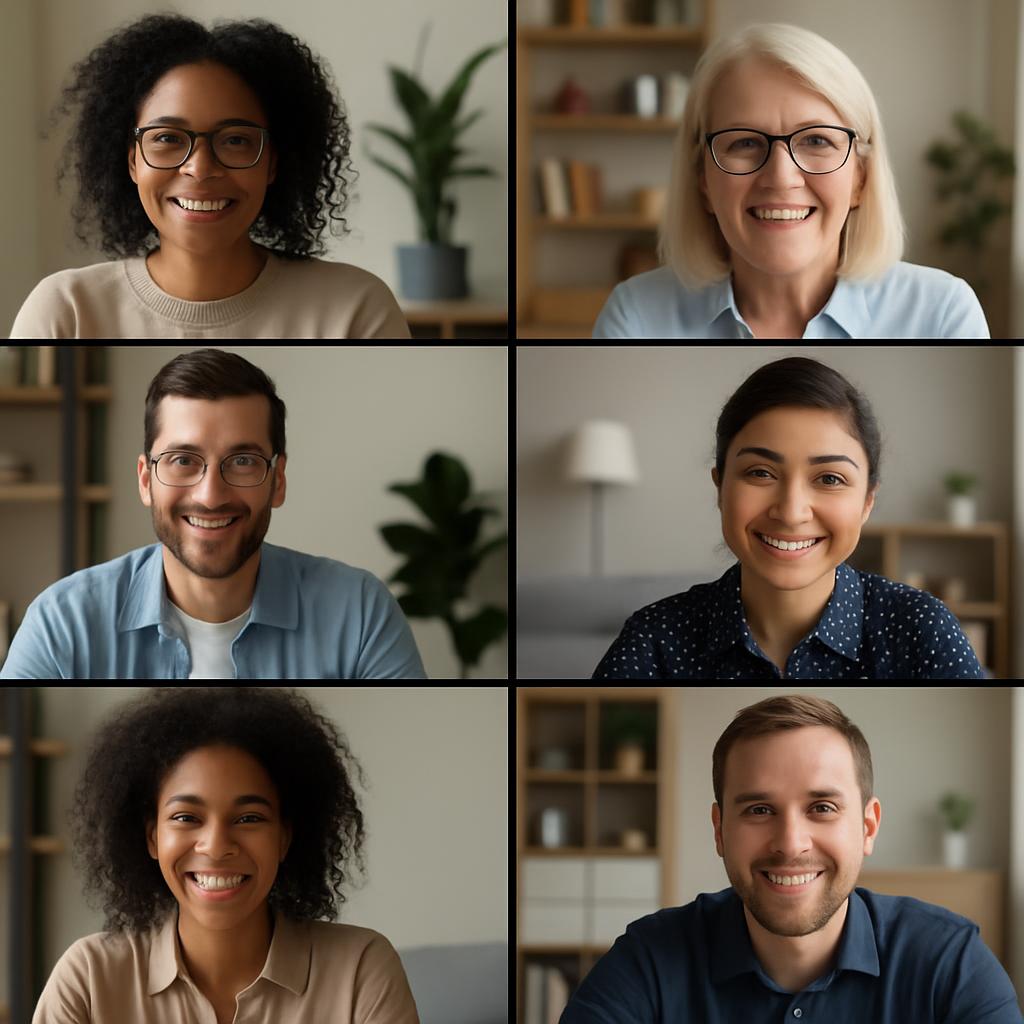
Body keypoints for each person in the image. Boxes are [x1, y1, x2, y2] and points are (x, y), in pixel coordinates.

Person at [559, 694, 1023, 1023]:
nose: (791, 842)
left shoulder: (950, 963)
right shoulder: (649, 961)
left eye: (822, 808)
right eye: (760, 810)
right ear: (720, 830)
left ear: (867, 826)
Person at [0, 348, 426, 679]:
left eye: (242, 461)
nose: (210, 495)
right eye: (183, 460)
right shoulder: (63, 621)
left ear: (277, 480)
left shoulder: (360, 614)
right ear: (146, 481)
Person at [31, 687, 421, 1024]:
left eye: (249, 818)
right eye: (186, 817)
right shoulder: (89, 977)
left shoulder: (360, 969)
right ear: (152, 837)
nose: (216, 846)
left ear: (285, 838)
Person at [10, 14, 411, 339]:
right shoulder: (66, 311)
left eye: (235, 140)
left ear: (273, 163)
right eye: (167, 137)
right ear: (133, 162)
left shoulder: (355, 311)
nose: (200, 168)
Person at [593, 356, 984, 679]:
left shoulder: (920, 628)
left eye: (830, 478)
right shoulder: (655, 639)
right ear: (720, 486)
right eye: (760, 473)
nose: (792, 512)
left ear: (867, 502)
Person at [592, 23, 990, 339]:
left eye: (816, 140)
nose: (781, 177)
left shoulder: (942, 314)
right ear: (703, 180)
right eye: (745, 142)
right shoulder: (636, 316)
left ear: (860, 178)